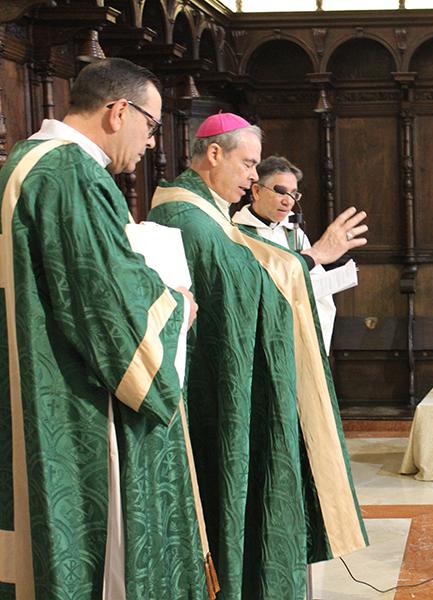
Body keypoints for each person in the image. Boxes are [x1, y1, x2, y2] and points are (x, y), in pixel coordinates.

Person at [0, 58, 215, 599]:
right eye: (151, 124)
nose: (151, 141)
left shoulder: (25, 158)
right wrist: (178, 305)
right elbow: (108, 304)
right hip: (71, 405)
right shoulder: (72, 172)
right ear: (119, 111)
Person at [147, 112, 367, 599]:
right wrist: (313, 258)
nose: (252, 177)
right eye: (248, 165)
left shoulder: (205, 212)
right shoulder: (187, 217)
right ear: (213, 154)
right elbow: (247, 285)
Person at [231, 154, 366, 353]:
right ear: (257, 191)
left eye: (294, 194)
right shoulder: (236, 233)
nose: (288, 201)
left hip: (296, 334)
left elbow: (316, 286)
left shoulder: (294, 233)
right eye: (281, 192)